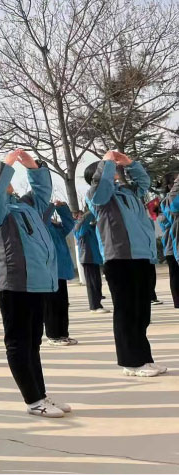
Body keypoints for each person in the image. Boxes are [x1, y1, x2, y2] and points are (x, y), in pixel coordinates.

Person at [0, 149, 72, 418]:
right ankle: (33, 400)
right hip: (15, 284)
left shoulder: (27, 207)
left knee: (33, 342)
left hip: (37, 282)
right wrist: (5, 165)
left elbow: (42, 190)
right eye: (3, 179)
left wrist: (32, 167)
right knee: (19, 343)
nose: (9, 181)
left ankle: (41, 393)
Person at [85, 151, 166, 378]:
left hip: (141, 256)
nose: (115, 175)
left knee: (142, 312)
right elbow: (101, 190)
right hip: (119, 257)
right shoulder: (97, 196)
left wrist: (130, 164)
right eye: (109, 171)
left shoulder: (128, 193)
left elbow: (143, 183)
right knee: (126, 312)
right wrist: (107, 163)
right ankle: (130, 362)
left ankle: (144, 359)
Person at [43, 202, 78, 346]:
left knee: (63, 304)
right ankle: (53, 335)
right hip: (48, 271)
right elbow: (43, 218)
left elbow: (69, 224)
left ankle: (63, 333)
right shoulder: (41, 225)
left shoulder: (57, 228)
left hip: (61, 270)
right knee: (51, 305)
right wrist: (51, 206)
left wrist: (62, 208)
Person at [74, 210, 108, 313]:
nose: (82, 216)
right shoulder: (77, 226)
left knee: (97, 282)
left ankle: (98, 304)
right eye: (81, 215)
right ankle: (94, 306)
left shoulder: (89, 227)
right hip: (87, 258)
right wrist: (91, 210)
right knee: (91, 283)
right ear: (76, 217)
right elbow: (84, 223)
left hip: (94, 258)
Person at [158, 173, 178, 308]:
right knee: (175, 276)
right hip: (171, 245)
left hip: (173, 242)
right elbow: (163, 221)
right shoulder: (165, 201)